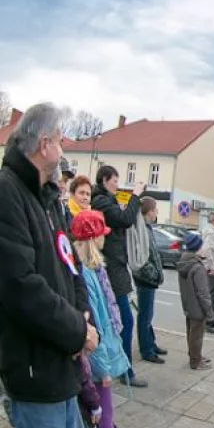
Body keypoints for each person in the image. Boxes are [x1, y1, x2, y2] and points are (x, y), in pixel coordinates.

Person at [0, 102, 99, 428]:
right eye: (60, 141)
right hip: (33, 371)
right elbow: (20, 287)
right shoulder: (7, 193)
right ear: (44, 144)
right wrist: (76, 330)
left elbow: (70, 264)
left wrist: (84, 319)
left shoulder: (47, 198)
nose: (64, 149)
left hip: (62, 365)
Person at [71, 210, 151, 428]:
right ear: (93, 239)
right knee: (101, 408)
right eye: (102, 235)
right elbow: (95, 326)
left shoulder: (93, 270)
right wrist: (103, 369)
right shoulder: (86, 274)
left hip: (101, 352)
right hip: (96, 357)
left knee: (104, 407)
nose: (106, 239)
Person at [91, 165, 148, 388]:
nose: (117, 184)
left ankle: (122, 369)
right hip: (113, 268)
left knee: (121, 320)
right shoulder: (102, 201)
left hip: (117, 267)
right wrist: (135, 195)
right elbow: (125, 219)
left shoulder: (105, 200)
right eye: (115, 180)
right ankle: (125, 371)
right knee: (124, 320)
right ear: (105, 180)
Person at [132, 197, 167, 364]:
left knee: (148, 314)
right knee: (145, 315)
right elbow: (142, 258)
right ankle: (146, 350)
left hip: (149, 280)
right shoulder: (141, 229)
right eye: (155, 209)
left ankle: (151, 344)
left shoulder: (147, 228)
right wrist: (153, 274)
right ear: (149, 211)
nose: (156, 213)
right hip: (145, 279)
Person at [177, 233, 213, 371]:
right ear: (197, 248)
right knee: (197, 335)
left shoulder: (184, 262)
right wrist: (209, 312)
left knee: (191, 333)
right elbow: (203, 293)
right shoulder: (197, 267)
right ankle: (196, 362)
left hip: (188, 305)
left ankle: (194, 355)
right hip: (198, 308)